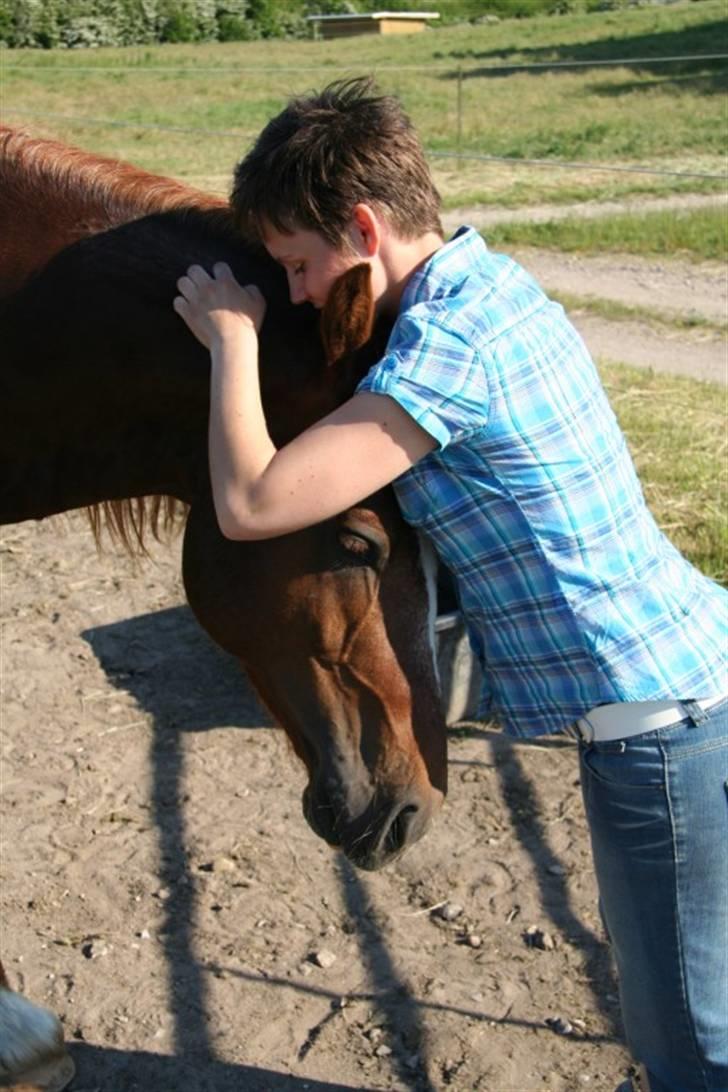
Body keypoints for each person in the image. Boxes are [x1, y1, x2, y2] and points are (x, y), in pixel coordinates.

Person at [173, 78, 728, 1092]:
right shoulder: (488, 288)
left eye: (298, 264)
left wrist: (234, 341)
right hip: (683, 690)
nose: (296, 293)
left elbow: (252, 504)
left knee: (690, 1044)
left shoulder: (449, 348)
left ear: (363, 229)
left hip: (659, 730)